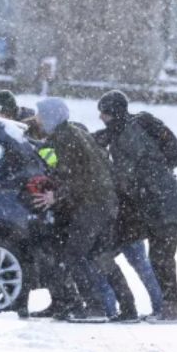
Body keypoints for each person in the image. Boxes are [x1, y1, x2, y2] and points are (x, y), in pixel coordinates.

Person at [97, 90, 177, 323]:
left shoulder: (126, 136)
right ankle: (164, 307)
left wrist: (154, 177)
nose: (102, 117)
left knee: (161, 257)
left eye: (105, 113)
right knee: (155, 257)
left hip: (163, 206)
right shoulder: (128, 128)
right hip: (157, 204)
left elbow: (127, 175)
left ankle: (171, 309)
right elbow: (175, 153)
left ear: (115, 113)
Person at [30, 98, 119, 322]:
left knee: (75, 255)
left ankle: (95, 308)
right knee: (84, 256)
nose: (37, 119)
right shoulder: (69, 133)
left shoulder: (65, 138)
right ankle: (74, 304)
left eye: (40, 114)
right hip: (99, 203)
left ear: (51, 116)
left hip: (93, 205)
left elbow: (78, 177)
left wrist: (55, 196)